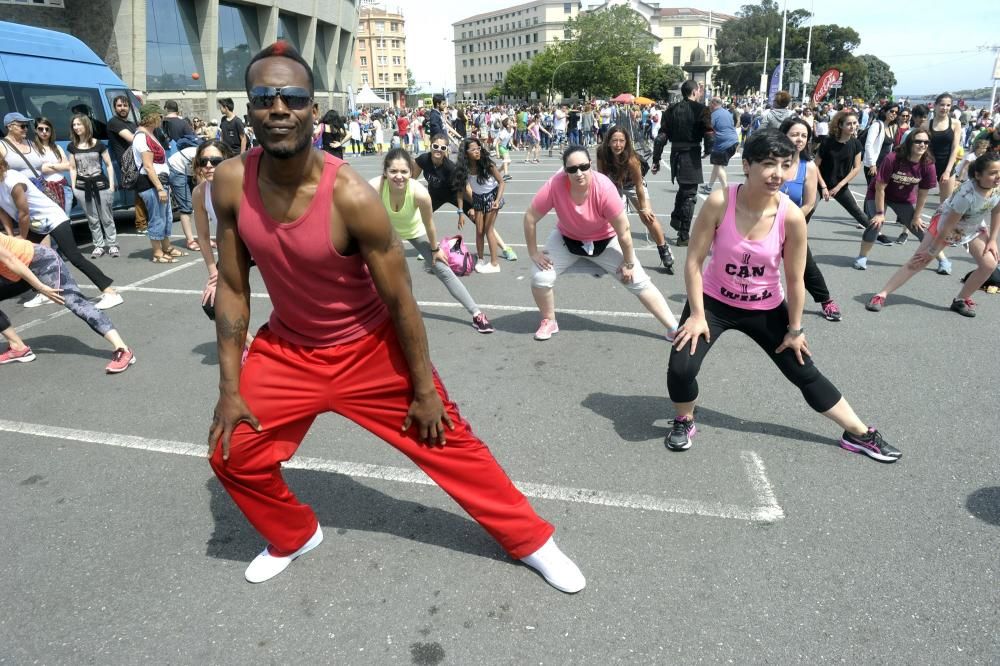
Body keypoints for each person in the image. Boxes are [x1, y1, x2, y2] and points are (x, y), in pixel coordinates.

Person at [207, 42, 585, 592]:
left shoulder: (352, 196)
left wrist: (423, 388)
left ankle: (533, 541)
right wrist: (229, 385)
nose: (279, 108)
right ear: (249, 107)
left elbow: (402, 301)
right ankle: (293, 534)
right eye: (265, 98)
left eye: (293, 97)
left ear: (314, 109)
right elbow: (235, 288)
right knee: (230, 451)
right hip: (289, 350)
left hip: (368, 348)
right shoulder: (230, 182)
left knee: (447, 441)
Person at [666, 130, 899, 463]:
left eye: (786, 165)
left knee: (803, 370)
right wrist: (697, 315)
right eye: (768, 164)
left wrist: (795, 328)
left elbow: (794, 278)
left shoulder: (791, 216)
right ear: (747, 166)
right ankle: (684, 419)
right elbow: (693, 261)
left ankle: (860, 433)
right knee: (681, 366)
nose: (778, 173)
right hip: (713, 302)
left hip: (764, 307)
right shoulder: (720, 201)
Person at [523, 145, 680, 342]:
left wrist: (629, 263)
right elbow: (530, 217)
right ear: (565, 171)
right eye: (572, 169)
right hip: (567, 239)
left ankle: (673, 327)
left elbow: (623, 231)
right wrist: (533, 253)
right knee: (540, 277)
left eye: (583, 167)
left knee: (637, 281)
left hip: (605, 241)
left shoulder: (604, 188)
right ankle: (549, 320)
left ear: (591, 165)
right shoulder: (555, 184)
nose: (578, 173)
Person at [369, 148, 494, 333]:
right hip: (386, 232)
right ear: (385, 172)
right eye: (393, 171)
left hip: (414, 231)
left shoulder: (419, 193)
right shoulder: (374, 187)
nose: (399, 176)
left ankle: (476, 313)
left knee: (443, 269)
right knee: (367, 268)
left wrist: (435, 250)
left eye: (404, 171)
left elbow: (429, 224)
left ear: (411, 172)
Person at [866, 152, 1000, 318]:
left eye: (999, 173)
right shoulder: (966, 195)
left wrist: (993, 240)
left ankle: (961, 299)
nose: (997, 177)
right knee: (918, 261)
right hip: (946, 225)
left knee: (989, 264)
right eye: (993, 173)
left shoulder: (997, 188)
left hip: (973, 226)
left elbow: (996, 211)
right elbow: (948, 227)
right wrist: (932, 250)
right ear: (978, 175)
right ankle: (881, 295)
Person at [0, 155, 122, 310]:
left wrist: (22, 239)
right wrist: (11, 237)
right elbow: (2, 213)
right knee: (28, 259)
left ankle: (110, 292)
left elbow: (24, 213)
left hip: (53, 218)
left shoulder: (13, 180)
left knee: (74, 257)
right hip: (36, 225)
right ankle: (46, 292)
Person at [0, 234, 136, 372]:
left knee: (74, 302)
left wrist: (41, 287)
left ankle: (123, 349)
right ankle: (18, 348)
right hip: (14, 273)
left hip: (41, 261)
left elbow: (10, 259)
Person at [778, 117, 843, 322]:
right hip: (762, 223)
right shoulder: (771, 161)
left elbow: (808, 203)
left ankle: (826, 301)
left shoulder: (809, 167)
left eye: (804, 135)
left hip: (793, 226)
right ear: (783, 135)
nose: (799, 139)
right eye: (795, 134)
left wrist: (788, 221)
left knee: (805, 266)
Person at [854, 129, 942, 270]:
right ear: (909, 143)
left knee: (919, 229)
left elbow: (923, 193)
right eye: (918, 141)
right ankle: (862, 257)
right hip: (879, 194)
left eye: (926, 142)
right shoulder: (893, 158)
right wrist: (880, 213)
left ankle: (943, 260)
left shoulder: (928, 164)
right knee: (875, 225)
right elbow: (880, 188)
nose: (922, 145)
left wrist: (917, 217)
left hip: (903, 199)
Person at [596, 125, 675, 272]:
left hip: (632, 185)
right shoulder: (602, 153)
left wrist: (644, 208)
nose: (618, 144)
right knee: (609, 217)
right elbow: (601, 177)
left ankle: (663, 249)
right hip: (613, 184)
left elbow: (639, 185)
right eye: (614, 141)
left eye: (621, 141)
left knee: (648, 217)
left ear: (626, 142)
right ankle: (606, 249)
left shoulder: (632, 159)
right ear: (608, 142)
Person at [652, 79, 715, 246]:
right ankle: (684, 234)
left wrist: (656, 160)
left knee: (685, 189)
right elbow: (709, 132)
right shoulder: (701, 109)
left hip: (676, 155)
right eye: (699, 91)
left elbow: (660, 138)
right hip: (690, 155)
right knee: (690, 195)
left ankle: (676, 218)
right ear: (694, 92)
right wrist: (708, 149)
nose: (700, 93)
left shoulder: (671, 110)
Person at [133, 103, 184, 263]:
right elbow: (148, 166)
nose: (161, 119)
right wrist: (160, 188)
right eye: (159, 116)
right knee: (157, 218)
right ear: (152, 117)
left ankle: (166, 247)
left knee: (166, 216)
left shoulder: (150, 134)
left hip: (159, 181)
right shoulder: (142, 137)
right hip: (151, 183)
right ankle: (157, 252)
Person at [67, 114, 119, 258]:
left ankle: (112, 244)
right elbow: (72, 168)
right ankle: (98, 245)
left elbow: (108, 165)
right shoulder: (72, 146)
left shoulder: (99, 144)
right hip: (82, 186)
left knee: (106, 216)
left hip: (101, 184)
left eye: (79, 124)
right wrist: (74, 187)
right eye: (74, 125)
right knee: (92, 217)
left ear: (86, 125)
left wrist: (112, 185)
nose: (76, 127)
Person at [814, 110, 873, 232]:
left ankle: (878, 234)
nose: (853, 126)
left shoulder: (856, 143)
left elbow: (856, 168)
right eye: (849, 123)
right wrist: (823, 187)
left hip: (840, 186)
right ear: (840, 125)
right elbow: (815, 166)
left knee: (857, 212)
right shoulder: (827, 141)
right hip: (818, 184)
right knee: (808, 210)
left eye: (855, 123)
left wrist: (839, 186)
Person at [454, 138, 506, 274]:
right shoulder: (463, 169)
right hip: (477, 198)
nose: (477, 151)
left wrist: (497, 200)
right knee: (479, 231)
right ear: (466, 153)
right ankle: (481, 259)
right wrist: (460, 212)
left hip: (492, 196)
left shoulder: (487, 163)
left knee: (488, 230)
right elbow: (460, 191)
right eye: (473, 149)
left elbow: (501, 182)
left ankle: (495, 264)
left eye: (478, 148)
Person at [106, 95, 147, 233]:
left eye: (125, 105)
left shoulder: (131, 123)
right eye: (119, 105)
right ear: (114, 107)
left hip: (138, 159)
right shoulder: (114, 122)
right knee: (141, 190)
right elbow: (132, 138)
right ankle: (141, 224)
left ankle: (144, 222)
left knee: (143, 190)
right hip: (128, 161)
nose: (122, 108)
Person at [925, 93, 963, 204]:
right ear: (935, 105)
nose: (945, 108)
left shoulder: (955, 123)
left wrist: (947, 171)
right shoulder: (926, 125)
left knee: (946, 203)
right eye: (942, 105)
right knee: (920, 198)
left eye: (948, 105)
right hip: (929, 165)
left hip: (947, 165)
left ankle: (940, 222)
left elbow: (955, 148)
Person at [32, 116, 73, 216]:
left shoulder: (57, 147)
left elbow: (68, 166)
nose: (44, 132)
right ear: (36, 130)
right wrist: (58, 165)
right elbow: (40, 169)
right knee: (55, 219)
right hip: (47, 188)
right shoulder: (33, 148)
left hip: (63, 186)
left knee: (66, 217)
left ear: (51, 131)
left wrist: (50, 165)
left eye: (47, 129)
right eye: (40, 129)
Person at [701, 97, 740, 195]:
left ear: (713, 104)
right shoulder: (727, 112)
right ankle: (709, 187)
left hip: (723, 143)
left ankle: (726, 190)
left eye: (710, 103)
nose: (709, 105)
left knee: (719, 167)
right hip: (734, 141)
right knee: (717, 165)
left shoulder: (714, 115)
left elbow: (707, 128)